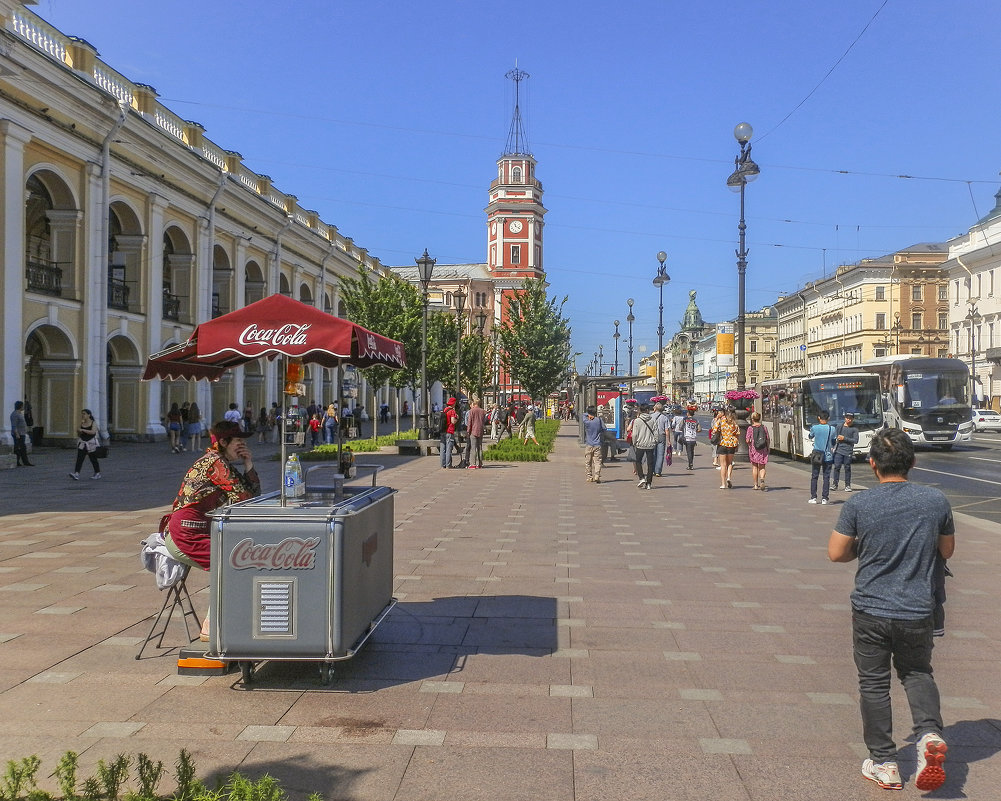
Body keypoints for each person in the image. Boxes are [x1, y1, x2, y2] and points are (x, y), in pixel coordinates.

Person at [827, 428, 953, 792]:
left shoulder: (859, 504)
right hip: (917, 608)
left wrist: (864, 550)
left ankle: (884, 762)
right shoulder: (935, 501)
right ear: (912, 462)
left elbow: (837, 553)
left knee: (873, 684)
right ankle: (929, 734)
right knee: (917, 672)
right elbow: (946, 550)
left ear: (872, 463)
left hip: (871, 608)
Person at [163, 420, 260, 641]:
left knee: (236, 562)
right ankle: (212, 627)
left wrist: (248, 464)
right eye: (238, 441)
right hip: (185, 535)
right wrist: (247, 466)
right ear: (224, 442)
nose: (242, 446)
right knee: (234, 564)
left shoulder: (221, 461)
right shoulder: (216, 463)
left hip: (194, 532)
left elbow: (249, 497)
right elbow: (244, 498)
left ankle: (227, 621)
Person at [808, 409, 837, 504]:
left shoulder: (814, 427)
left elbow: (810, 436)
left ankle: (813, 497)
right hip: (828, 456)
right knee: (826, 477)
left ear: (819, 418)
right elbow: (833, 442)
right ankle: (825, 498)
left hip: (817, 455)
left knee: (814, 476)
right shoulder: (832, 429)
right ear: (828, 418)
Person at [631, 403, 658, 490]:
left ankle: (641, 478)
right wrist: (655, 441)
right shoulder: (652, 420)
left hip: (640, 444)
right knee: (650, 464)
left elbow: (634, 434)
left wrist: (634, 442)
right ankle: (649, 483)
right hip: (650, 444)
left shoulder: (637, 421)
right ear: (647, 410)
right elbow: (656, 433)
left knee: (638, 461)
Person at [832, 411, 860, 492]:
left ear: (853, 419)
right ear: (845, 418)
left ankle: (847, 485)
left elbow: (855, 440)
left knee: (847, 468)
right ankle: (835, 484)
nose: (849, 420)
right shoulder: (839, 426)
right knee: (837, 467)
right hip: (838, 450)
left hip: (848, 451)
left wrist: (844, 438)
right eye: (847, 418)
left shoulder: (854, 429)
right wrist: (834, 443)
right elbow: (835, 437)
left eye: (850, 418)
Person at [69, 409, 101, 480]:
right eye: (82, 414)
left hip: (91, 443)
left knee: (93, 458)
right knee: (79, 458)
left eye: (84, 414)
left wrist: (83, 430)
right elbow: (79, 432)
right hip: (83, 443)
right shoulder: (82, 423)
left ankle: (97, 473)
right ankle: (76, 473)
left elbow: (93, 432)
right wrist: (79, 431)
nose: (83, 415)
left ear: (89, 415)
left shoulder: (93, 423)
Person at [715, 407, 739, 489]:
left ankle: (723, 484)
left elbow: (714, 430)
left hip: (723, 443)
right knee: (729, 463)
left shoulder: (721, 421)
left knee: (723, 465)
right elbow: (737, 433)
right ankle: (729, 477)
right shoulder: (734, 422)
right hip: (731, 444)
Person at [746, 411, 769, 490]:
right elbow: (767, 439)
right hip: (763, 449)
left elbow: (747, 440)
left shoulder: (750, 428)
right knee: (762, 466)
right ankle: (762, 479)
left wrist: (750, 443)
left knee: (755, 467)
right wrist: (768, 448)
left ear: (752, 419)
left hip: (754, 449)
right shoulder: (764, 427)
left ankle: (755, 485)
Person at [583, 405, 604, 483]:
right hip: (597, 444)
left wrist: (588, 414)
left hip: (589, 444)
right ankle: (597, 475)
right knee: (597, 461)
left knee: (588, 461)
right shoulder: (599, 420)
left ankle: (589, 476)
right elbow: (604, 428)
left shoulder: (587, 421)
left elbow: (583, 415)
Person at [465, 397, 487, 469]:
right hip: (480, 430)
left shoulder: (471, 411)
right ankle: (480, 463)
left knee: (473, 448)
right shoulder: (483, 411)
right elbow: (484, 421)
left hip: (473, 431)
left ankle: (473, 464)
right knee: (480, 447)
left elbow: (469, 422)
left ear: (474, 403)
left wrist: (468, 431)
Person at [9, 400, 32, 467]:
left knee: (21, 448)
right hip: (18, 434)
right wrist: (16, 434)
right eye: (23, 406)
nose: (23, 407)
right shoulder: (15, 414)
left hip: (22, 433)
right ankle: (20, 462)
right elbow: (14, 425)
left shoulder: (19, 413)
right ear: (20, 406)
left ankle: (22, 462)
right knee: (19, 448)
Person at [440, 397, 460, 469]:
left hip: (443, 431)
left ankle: (443, 464)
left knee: (443, 449)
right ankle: (448, 464)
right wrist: (457, 418)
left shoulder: (445, 410)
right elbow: (453, 421)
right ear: (454, 403)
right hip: (449, 431)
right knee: (449, 448)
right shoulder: (452, 411)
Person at [681, 403, 701, 471]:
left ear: (688, 413)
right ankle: (691, 463)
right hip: (693, 437)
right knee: (692, 451)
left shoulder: (685, 419)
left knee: (688, 451)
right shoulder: (696, 420)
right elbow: (699, 429)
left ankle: (690, 464)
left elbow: (680, 427)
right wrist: (695, 430)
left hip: (687, 437)